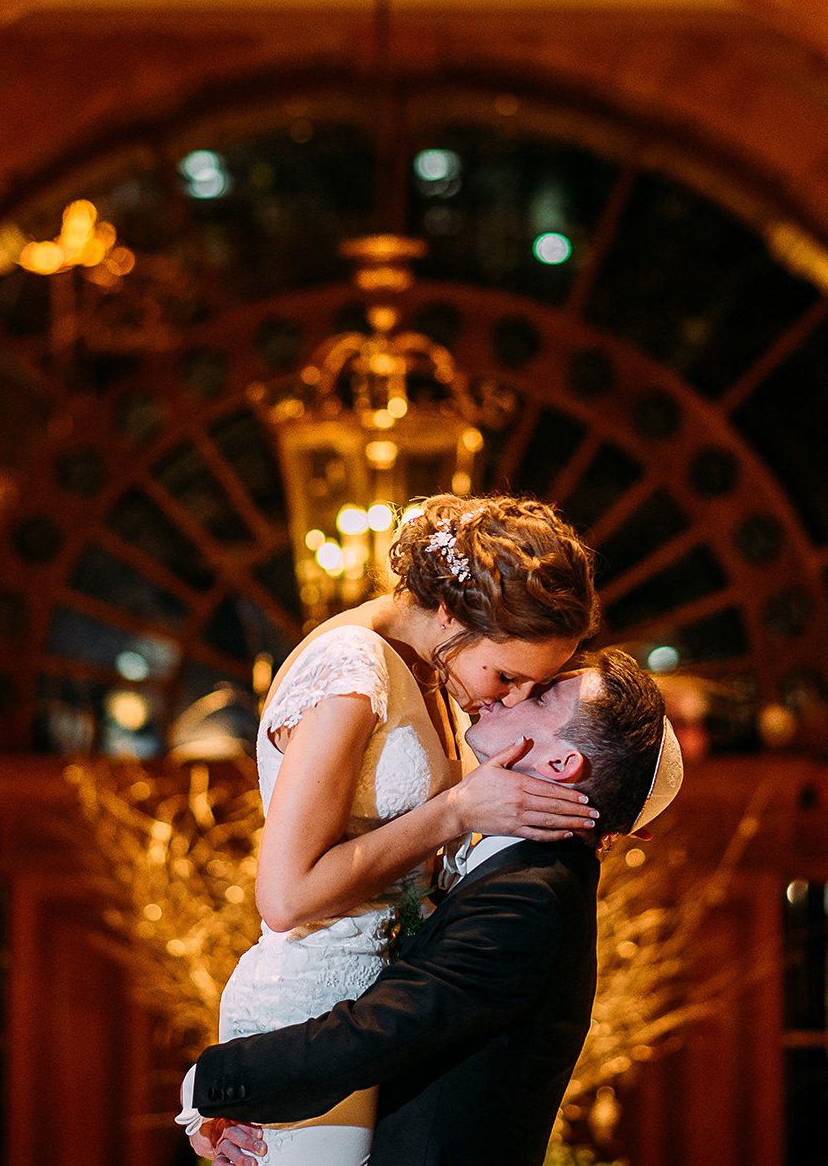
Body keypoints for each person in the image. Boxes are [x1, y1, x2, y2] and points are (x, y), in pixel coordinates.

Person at [211, 494, 604, 1165]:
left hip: (371, 1009)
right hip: (310, 1006)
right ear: (452, 611)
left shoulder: (426, 665)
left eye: (530, 687)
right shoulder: (350, 670)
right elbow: (284, 895)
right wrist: (456, 812)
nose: (509, 700)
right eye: (507, 675)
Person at [183, 649, 681, 1166]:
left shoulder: (532, 895)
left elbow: (376, 1033)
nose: (511, 692)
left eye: (542, 692)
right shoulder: (521, 872)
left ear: (561, 763)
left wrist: (211, 1083)